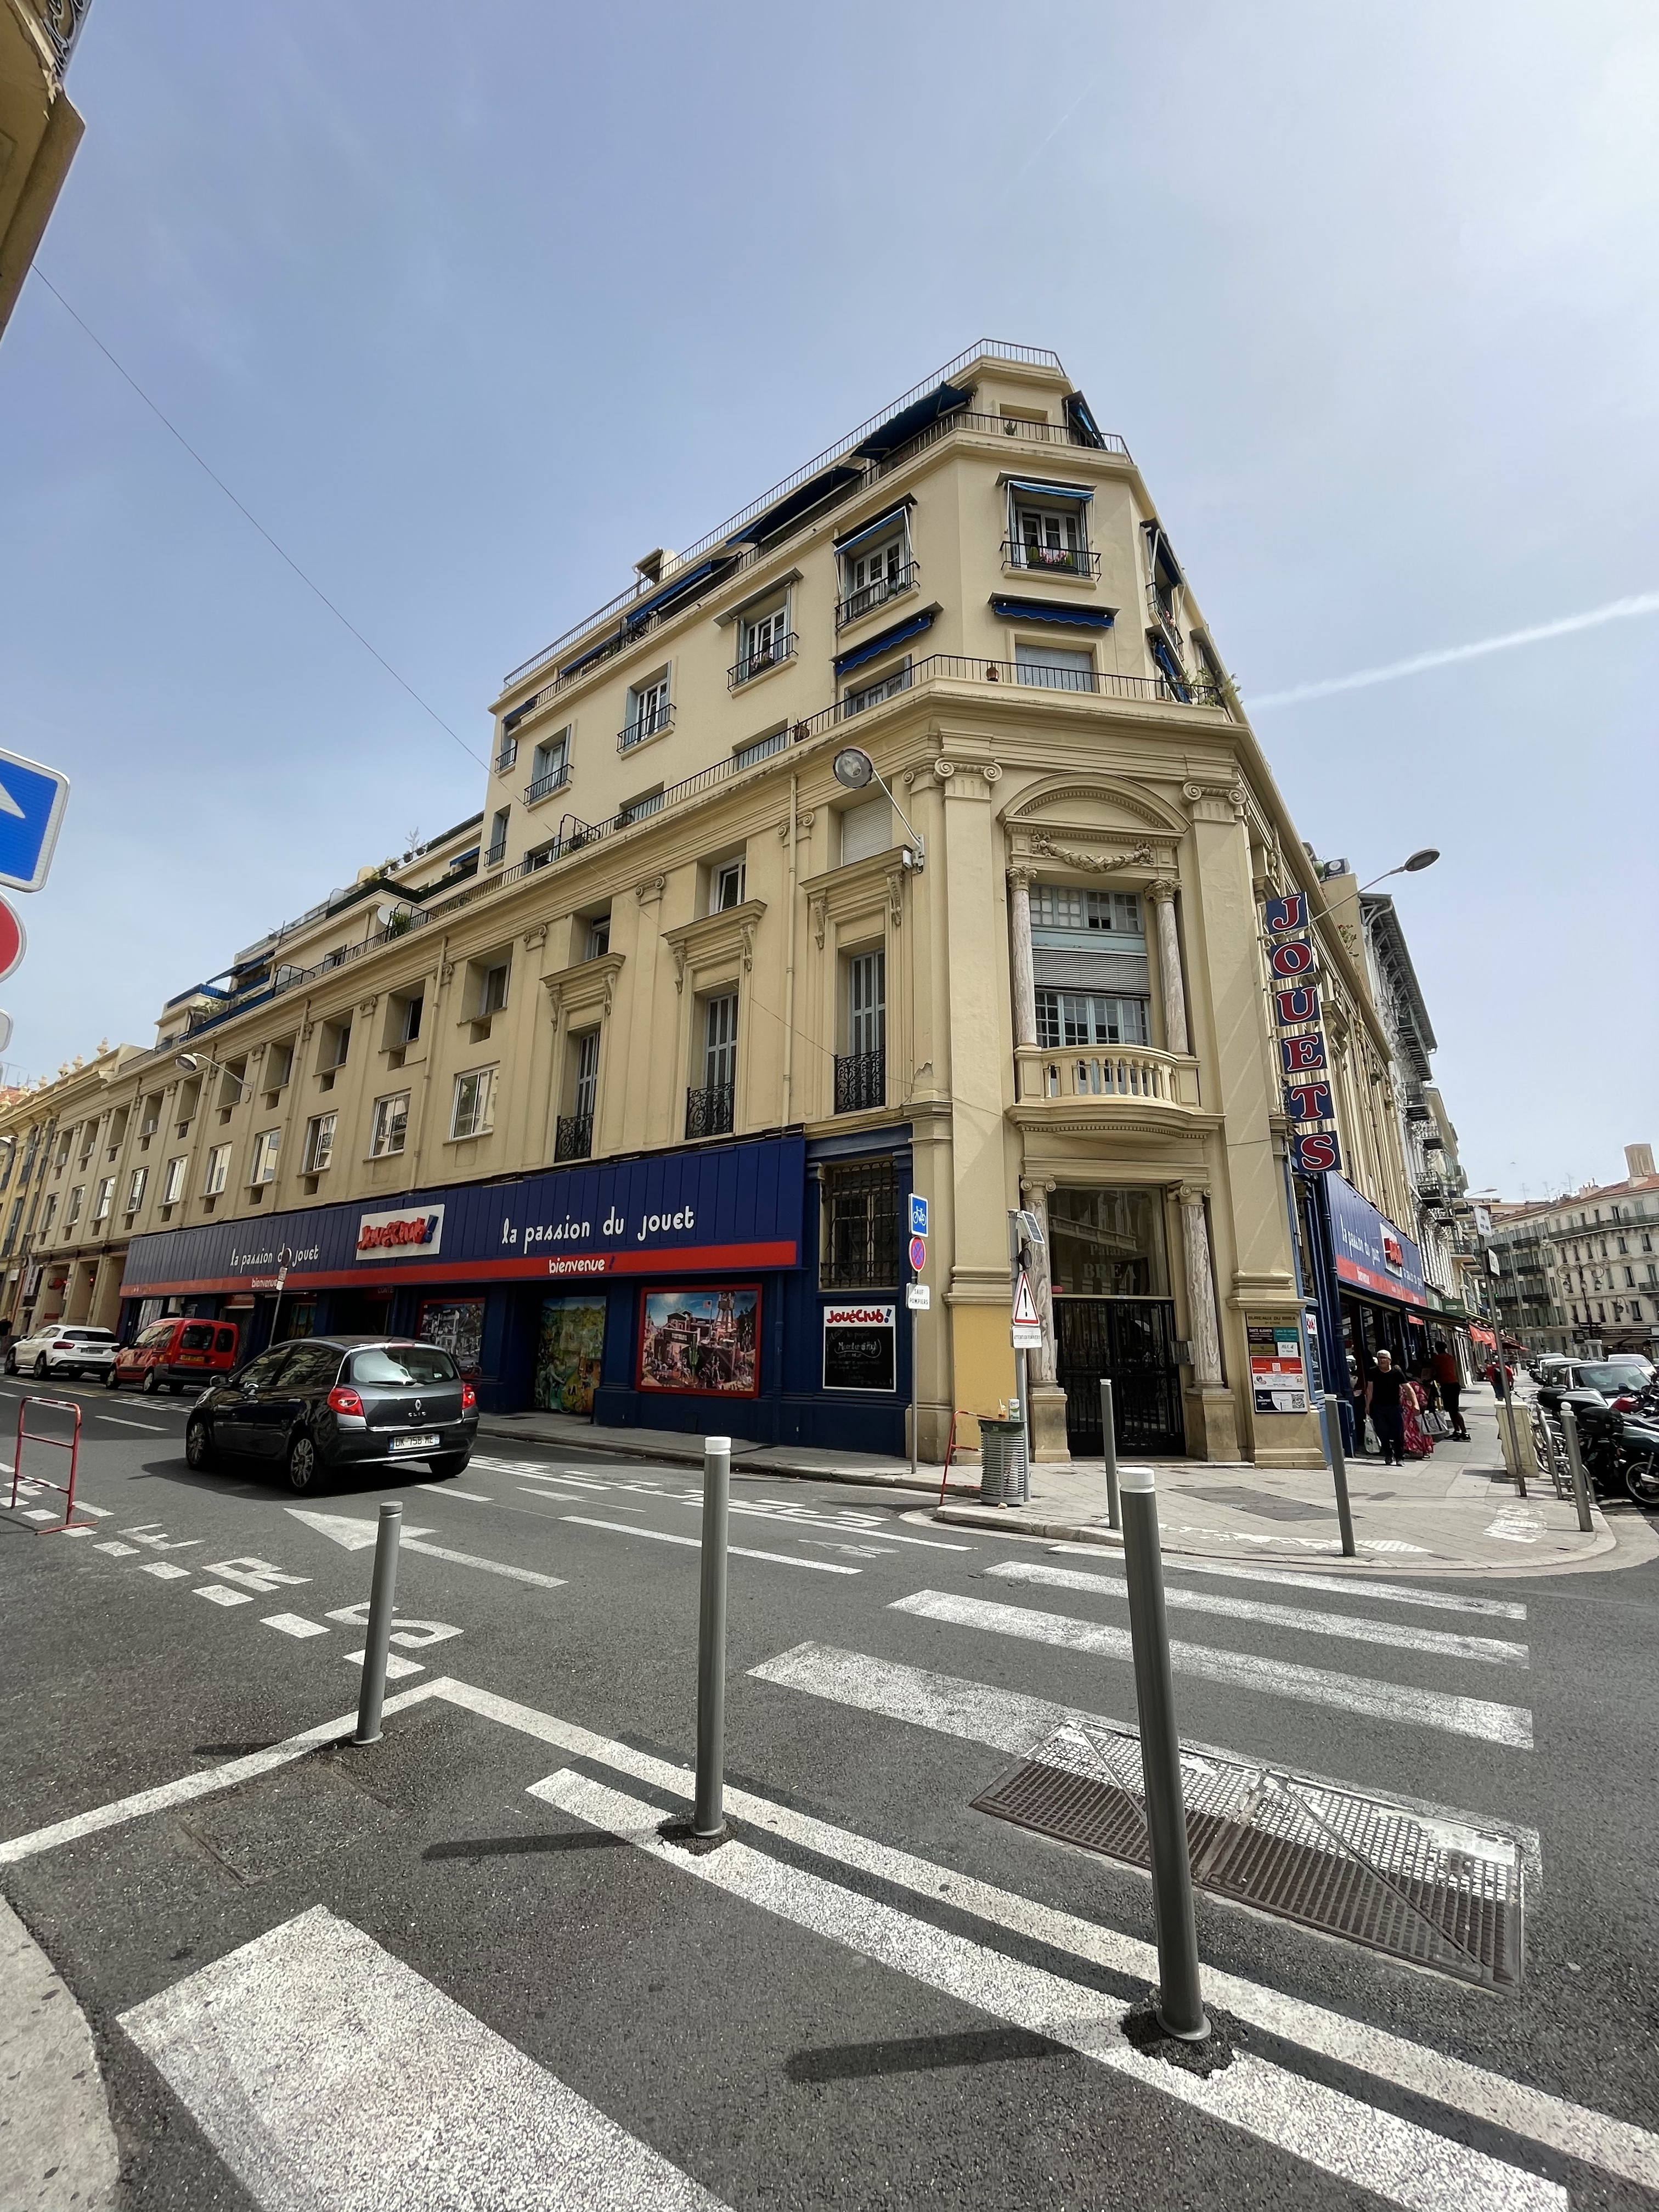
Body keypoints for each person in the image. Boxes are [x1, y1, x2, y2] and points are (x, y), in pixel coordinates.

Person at [1365, 1349, 1408, 1466]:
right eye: (1380, 1358)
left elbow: (1408, 1388)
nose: (1382, 1360)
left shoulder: (1397, 1372)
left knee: (1398, 1433)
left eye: (1384, 1358)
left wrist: (1415, 1403)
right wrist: (1367, 1405)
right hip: (1378, 1407)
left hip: (1394, 1407)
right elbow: (1370, 1390)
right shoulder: (1373, 1372)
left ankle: (1400, 1457)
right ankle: (1388, 1453)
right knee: (1382, 1431)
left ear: (1390, 1360)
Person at [1431, 1340, 1469, 1440]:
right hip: (1453, 1384)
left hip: (1448, 1385)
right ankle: (1457, 1431)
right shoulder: (1450, 1358)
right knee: (1452, 1410)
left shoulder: (1439, 1358)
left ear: (1437, 1348)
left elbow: (1434, 1370)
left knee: (1454, 1410)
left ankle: (1464, 1432)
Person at [1401, 1372, 1435, 1459]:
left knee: (1411, 1433)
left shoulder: (1400, 1386)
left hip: (1407, 1414)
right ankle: (1425, 1450)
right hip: (1417, 1413)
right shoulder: (1414, 1384)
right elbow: (1423, 1399)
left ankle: (1416, 1451)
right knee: (1423, 1431)